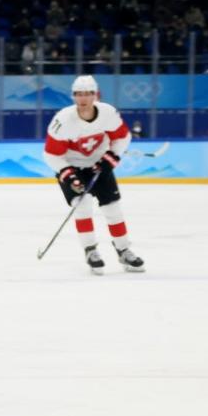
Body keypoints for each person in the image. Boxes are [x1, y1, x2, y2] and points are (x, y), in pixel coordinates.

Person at [43, 75, 145, 275]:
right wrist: (68, 174)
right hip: (72, 167)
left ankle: (123, 249)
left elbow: (123, 137)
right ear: (73, 96)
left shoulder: (108, 113)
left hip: (98, 165)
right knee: (82, 206)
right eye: (79, 94)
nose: (83, 99)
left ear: (95, 95)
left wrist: (111, 157)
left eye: (88, 94)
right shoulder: (63, 120)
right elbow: (51, 155)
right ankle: (91, 251)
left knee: (113, 208)